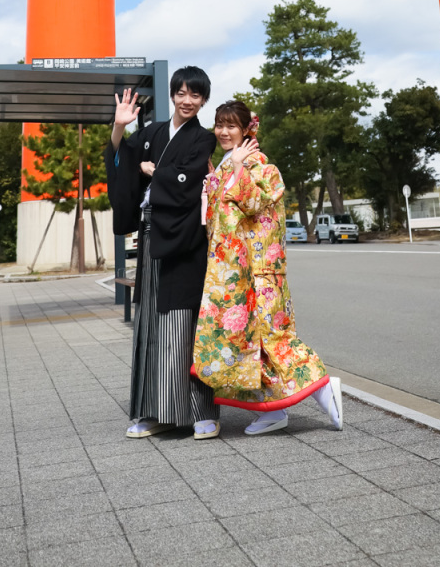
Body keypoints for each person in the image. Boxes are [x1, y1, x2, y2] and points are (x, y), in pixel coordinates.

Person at [193, 99, 342, 435]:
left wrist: (237, 168)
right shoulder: (224, 167)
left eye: (231, 125)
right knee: (249, 344)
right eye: (219, 124)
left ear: (247, 129)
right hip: (234, 273)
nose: (223, 131)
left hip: (259, 272)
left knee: (273, 339)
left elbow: (252, 203)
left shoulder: (260, 166)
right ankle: (272, 411)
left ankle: (321, 385)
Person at [105, 66, 221, 440]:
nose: (187, 101)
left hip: (185, 242)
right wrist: (119, 127)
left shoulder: (203, 138)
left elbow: (189, 184)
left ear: (204, 100)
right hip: (152, 236)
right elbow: (121, 160)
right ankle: (156, 412)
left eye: (196, 95)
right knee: (151, 327)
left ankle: (203, 413)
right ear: (172, 95)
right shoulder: (152, 132)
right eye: (181, 93)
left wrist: (153, 171)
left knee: (185, 324)